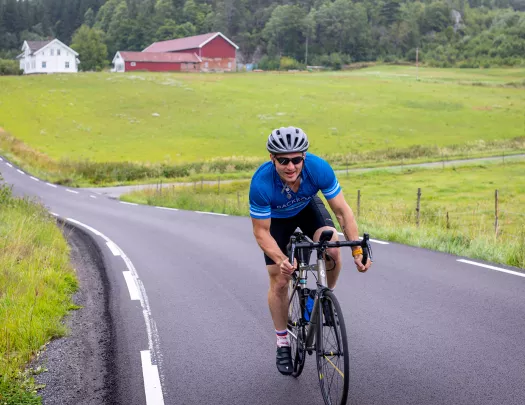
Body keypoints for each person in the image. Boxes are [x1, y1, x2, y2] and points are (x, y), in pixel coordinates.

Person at [249, 126, 372, 375]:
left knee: (332, 248)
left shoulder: (318, 168)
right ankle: (282, 341)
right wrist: (281, 259)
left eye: (296, 159)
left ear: (304, 156)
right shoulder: (261, 183)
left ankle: (323, 296)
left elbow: (342, 211)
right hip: (276, 220)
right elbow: (261, 232)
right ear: (272, 158)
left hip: (306, 208)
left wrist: (357, 250)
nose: (291, 166)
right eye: (283, 160)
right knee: (280, 279)